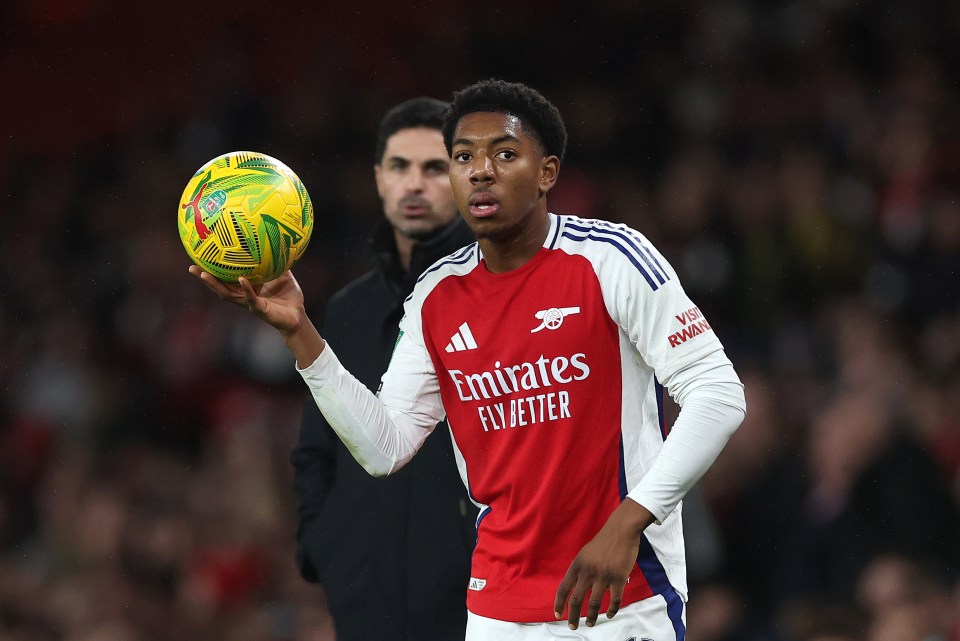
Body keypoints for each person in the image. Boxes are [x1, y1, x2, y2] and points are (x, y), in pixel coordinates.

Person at [190, 79, 747, 640]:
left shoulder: (610, 260)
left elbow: (718, 395)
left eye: (504, 154)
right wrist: (300, 333)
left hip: (619, 595)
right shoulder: (436, 294)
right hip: (495, 610)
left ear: (547, 172)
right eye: (462, 157)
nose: (480, 170)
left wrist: (629, 521)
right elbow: (386, 447)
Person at [289, 97, 476, 641]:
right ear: (377, 178)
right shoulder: (348, 309)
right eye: (399, 167)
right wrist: (325, 547)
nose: (413, 184)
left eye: (435, 167)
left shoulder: (500, 296)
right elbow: (316, 448)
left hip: (479, 604)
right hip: (365, 599)